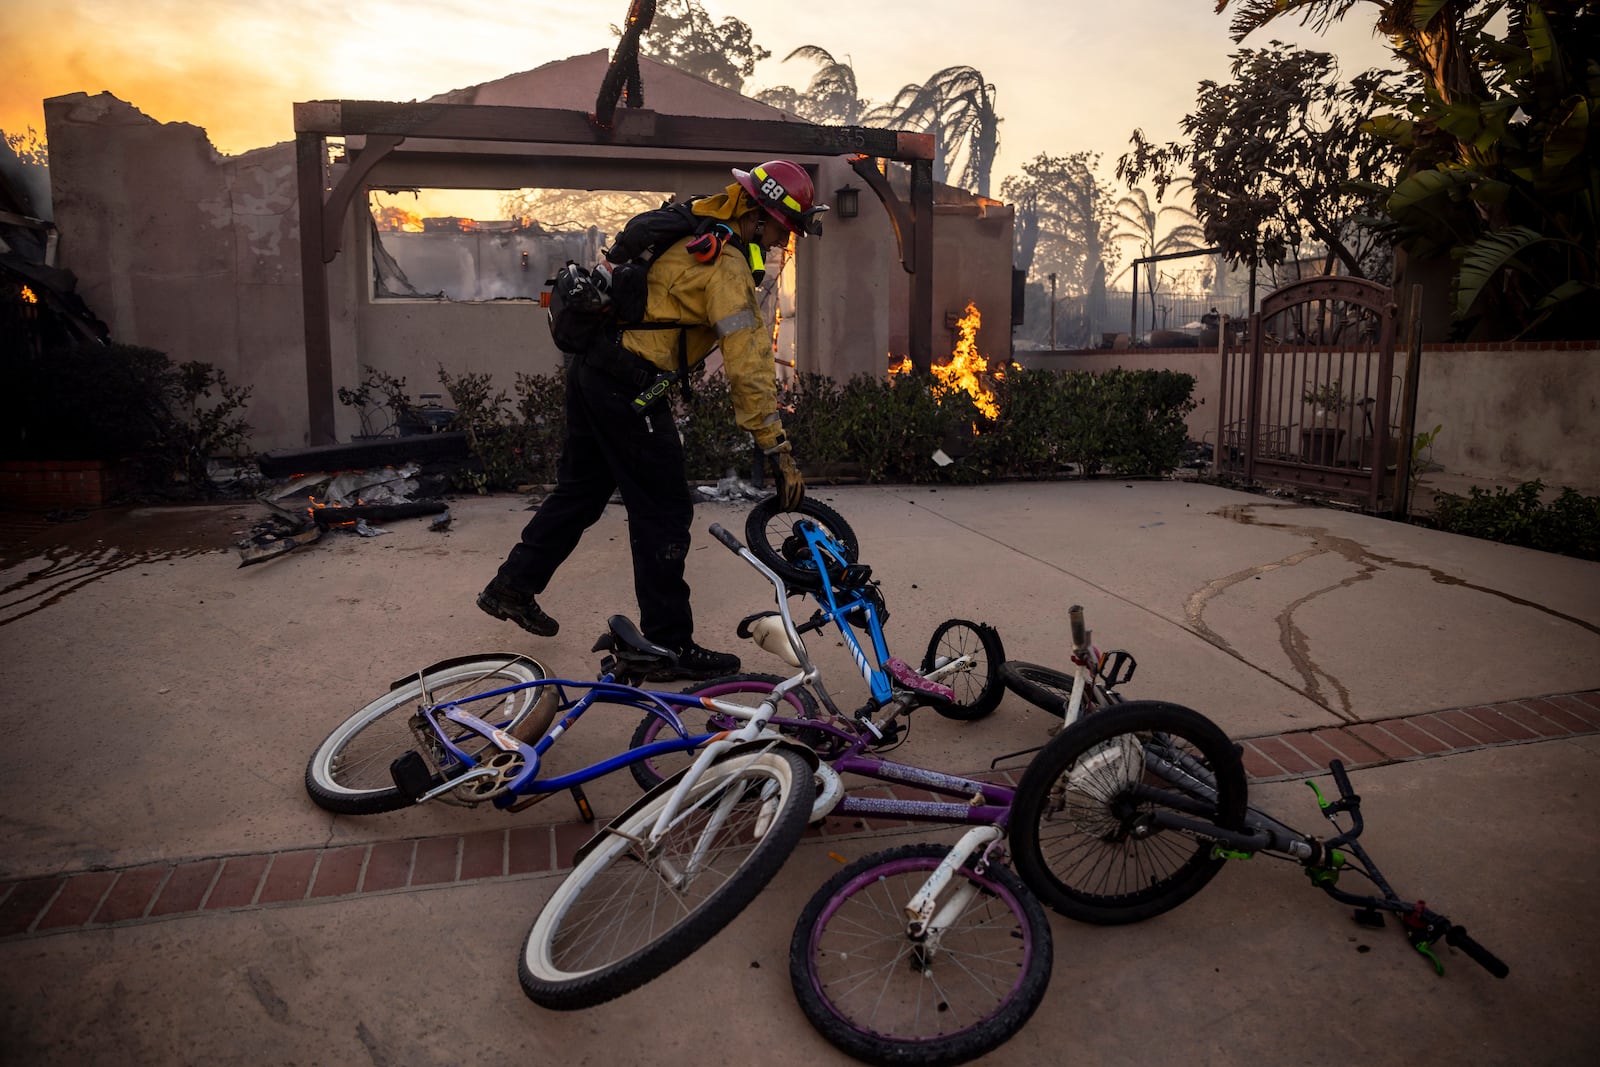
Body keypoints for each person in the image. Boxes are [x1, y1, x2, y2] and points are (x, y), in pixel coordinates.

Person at [478, 160, 825, 681]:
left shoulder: (687, 224)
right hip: (628, 386)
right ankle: (666, 644)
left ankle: (513, 585)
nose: (781, 242)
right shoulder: (725, 265)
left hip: (592, 366)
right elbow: (748, 366)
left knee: (581, 491)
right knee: (664, 510)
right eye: (780, 228)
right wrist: (775, 448)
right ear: (757, 213)